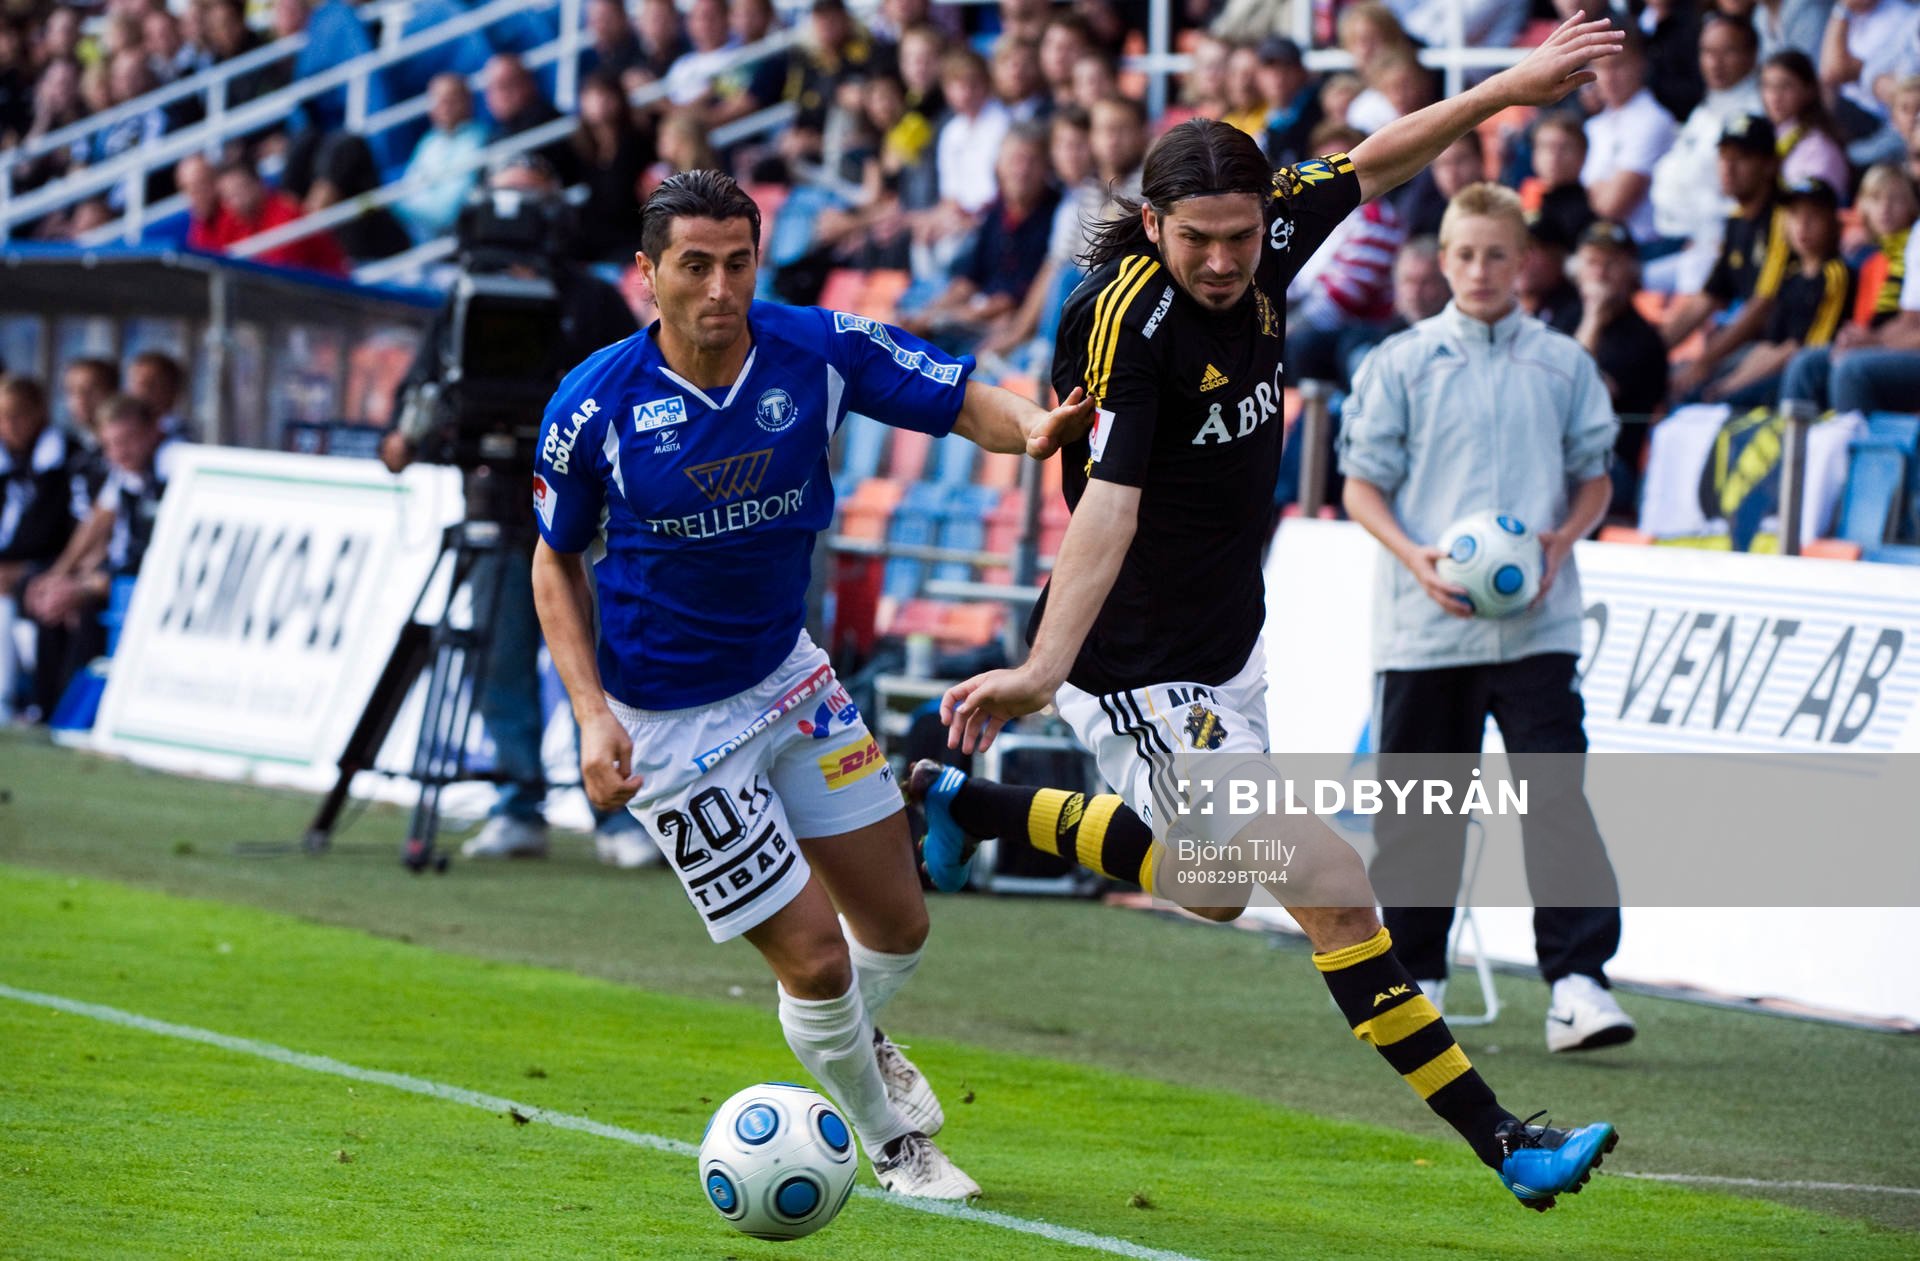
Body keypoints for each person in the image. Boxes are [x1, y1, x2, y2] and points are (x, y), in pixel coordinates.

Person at [916, 15, 1625, 1212]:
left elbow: (1381, 157)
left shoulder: (1272, 223)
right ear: (1155, 225)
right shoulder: (1126, 318)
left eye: (1243, 238)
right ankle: (1508, 1141)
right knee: (1332, 881)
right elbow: (1107, 507)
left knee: (1212, 886)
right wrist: (1042, 669)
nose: (1223, 261)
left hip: (1227, 639)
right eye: (1197, 239)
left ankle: (969, 804)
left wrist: (1509, 86)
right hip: (1135, 662)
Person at [529, 169, 1095, 1198]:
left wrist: (1031, 428)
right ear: (647, 273)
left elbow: (957, 399)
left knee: (899, 929)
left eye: (737, 263)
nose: (719, 288)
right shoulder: (593, 405)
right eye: (693, 266)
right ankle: (894, 1144)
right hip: (670, 730)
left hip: (789, 678)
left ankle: (849, 1038)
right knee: (820, 962)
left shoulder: (816, 347)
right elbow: (552, 559)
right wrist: (589, 716)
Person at [1336, 183, 1631, 1054]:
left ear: (1525, 260)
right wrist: (1415, 557)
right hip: (1425, 628)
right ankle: (1417, 981)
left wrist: (1562, 540)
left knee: (1555, 796)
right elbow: (1360, 487)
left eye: (1497, 254)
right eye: (1464, 254)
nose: (1480, 270)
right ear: (1442, 259)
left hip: (1539, 625)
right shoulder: (1399, 362)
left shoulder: (1564, 364)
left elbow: (1594, 477)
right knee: (1419, 809)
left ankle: (1578, 985)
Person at [379, 157, 651, 869]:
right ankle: (517, 802)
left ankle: (623, 814)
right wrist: (407, 432)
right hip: (498, 505)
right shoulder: (464, 297)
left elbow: (639, 390)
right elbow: (424, 387)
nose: (513, 219)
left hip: (592, 521)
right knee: (498, 659)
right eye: (502, 201)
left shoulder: (591, 300)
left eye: (527, 202)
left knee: (607, 665)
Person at [1699, 176, 1855, 406]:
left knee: (1731, 400)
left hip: (1802, 378)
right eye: (1794, 215)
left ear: (1832, 221)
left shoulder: (1835, 274)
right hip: (1773, 368)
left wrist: (1734, 386)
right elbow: (1770, 344)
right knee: (1704, 386)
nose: (1802, 226)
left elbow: (1800, 348)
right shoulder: (1790, 275)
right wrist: (1731, 381)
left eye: (1813, 216)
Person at [1663, 113, 1789, 397]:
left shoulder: (1783, 217)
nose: (1728, 168)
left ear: (1769, 165)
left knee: (1691, 389)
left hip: (1774, 346)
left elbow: (1763, 306)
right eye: (1723, 157)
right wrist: (1650, 350)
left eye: (1741, 158)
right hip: (1746, 346)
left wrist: (1704, 362)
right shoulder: (1736, 220)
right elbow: (1709, 298)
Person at [1572, 220, 1670, 517]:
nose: (1599, 273)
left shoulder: (1642, 338)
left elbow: (1574, 395)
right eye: (1592, 262)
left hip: (1613, 467)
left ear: (1631, 270)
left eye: (1611, 264)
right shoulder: (1565, 315)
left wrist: (1593, 319)